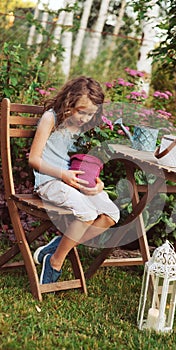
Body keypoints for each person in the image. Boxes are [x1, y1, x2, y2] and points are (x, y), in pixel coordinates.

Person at [29, 76, 120, 284]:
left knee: (112, 214)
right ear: (69, 101)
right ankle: (55, 261)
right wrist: (63, 175)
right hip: (49, 181)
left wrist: (96, 182)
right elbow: (34, 159)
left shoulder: (81, 127)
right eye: (81, 111)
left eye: (90, 114)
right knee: (87, 213)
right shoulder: (50, 118)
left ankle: (58, 245)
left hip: (72, 181)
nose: (85, 118)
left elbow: (81, 162)